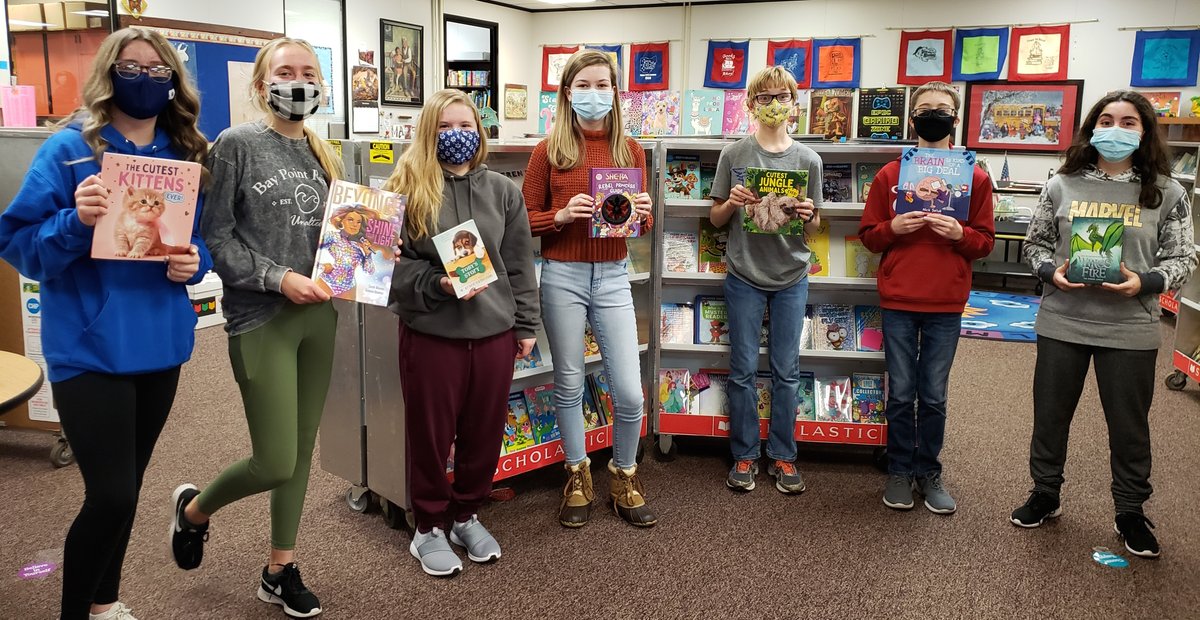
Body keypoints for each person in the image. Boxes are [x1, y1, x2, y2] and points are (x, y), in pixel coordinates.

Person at [0, 27, 210, 620]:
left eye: (158, 69)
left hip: (160, 343)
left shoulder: (186, 153)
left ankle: (104, 603)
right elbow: (18, 245)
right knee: (111, 494)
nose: (145, 78)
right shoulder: (68, 150)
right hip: (88, 348)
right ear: (109, 74)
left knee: (129, 488)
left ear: (174, 81)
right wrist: (75, 222)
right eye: (131, 67)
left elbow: (198, 241)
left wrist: (196, 263)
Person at [168, 37, 343, 619]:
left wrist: (363, 258)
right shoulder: (236, 144)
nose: (300, 82)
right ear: (262, 84)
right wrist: (277, 278)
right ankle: (194, 510)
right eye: (286, 72)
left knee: (300, 452)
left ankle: (279, 569)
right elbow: (215, 237)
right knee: (274, 460)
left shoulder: (324, 151)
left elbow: (338, 236)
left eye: (309, 73)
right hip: (262, 317)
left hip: (319, 317)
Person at [1010, 91, 1196, 558]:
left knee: (1129, 426)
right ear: (1092, 128)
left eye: (1129, 122)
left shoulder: (1167, 192)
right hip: (1063, 320)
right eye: (1107, 120)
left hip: (1130, 327)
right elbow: (1035, 245)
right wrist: (1049, 272)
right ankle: (1045, 492)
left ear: (1144, 132)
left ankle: (1130, 510)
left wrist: (1146, 281)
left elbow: (1184, 257)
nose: (1116, 129)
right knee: (1050, 416)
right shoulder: (1061, 184)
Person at [384, 88, 539, 577]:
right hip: (431, 333)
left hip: (493, 332)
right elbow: (386, 268)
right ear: (428, 132)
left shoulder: (503, 191)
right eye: (445, 126)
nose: (457, 135)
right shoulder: (406, 189)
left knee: (484, 431)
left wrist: (527, 323)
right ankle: (428, 525)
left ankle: (467, 514)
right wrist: (437, 283)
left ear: (480, 131)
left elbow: (519, 264)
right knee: (430, 436)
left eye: (466, 125)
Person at [522, 49, 656, 528]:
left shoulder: (630, 150)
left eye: (602, 85)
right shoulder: (548, 150)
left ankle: (624, 475)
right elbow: (524, 221)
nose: (593, 94)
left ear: (615, 93)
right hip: (563, 274)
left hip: (613, 275)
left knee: (630, 392)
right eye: (584, 85)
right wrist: (559, 216)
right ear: (567, 92)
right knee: (569, 382)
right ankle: (577, 475)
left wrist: (643, 214)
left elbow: (638, 226)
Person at [858, 81, 995, 514]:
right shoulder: (890, 175)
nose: (933, 115)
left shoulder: (975, 177)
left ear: (955, 119)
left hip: (946, 302)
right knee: (901, 393)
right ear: (912, 119)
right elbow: (869, 236)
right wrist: (892, 229)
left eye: (942, 108)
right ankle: (899, 469)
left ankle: (929, 471)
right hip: (899, 298)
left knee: (934, 395)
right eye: (924, 109)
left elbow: (985, 242)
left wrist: (960, 234)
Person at [708, 66, 821, 495]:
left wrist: (809, 215)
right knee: (742, 369)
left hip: (792, 275)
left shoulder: (809, 160)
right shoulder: (734, 154)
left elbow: (814, 228)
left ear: (794, 103)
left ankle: (784, 455)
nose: (774, 104)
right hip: (744, 274)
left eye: (782, 96)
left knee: (786, 370)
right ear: (752, 104)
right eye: (765, 97)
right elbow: (715, 219)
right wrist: (731, 204)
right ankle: (744, 454)